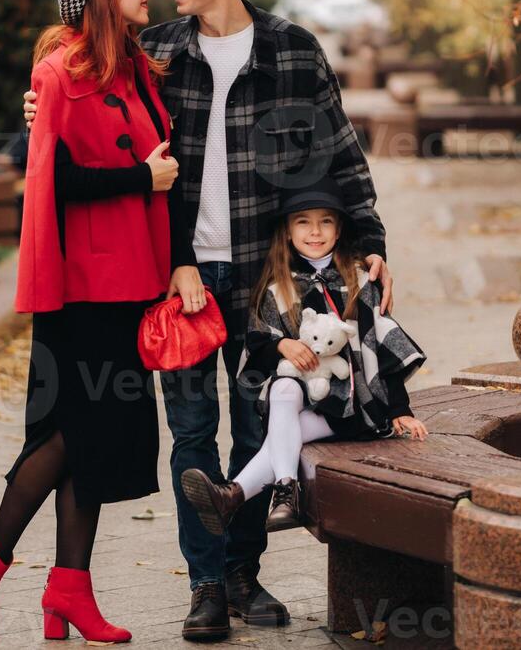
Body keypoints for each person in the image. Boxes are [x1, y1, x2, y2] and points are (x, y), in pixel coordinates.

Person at [24, 0, 395, 642]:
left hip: (270, 284)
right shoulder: (152, 52)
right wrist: (31, 110)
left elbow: (342, 153)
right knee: (191, 431)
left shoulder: (293, 51)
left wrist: (372, 237)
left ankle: (241, 576)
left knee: (259, 425)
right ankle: (203, 584)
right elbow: (75, 106)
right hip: (182, 280)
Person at [0, 0, 202, 643]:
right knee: (70, 434)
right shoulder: (61, 73)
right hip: (81, 289)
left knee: (87, 444)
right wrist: (138, 178)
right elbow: (49, 183)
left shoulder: (138, 71)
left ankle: (67, 591)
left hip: (132, 282)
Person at [180, 175, 427, 537]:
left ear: (339, 228)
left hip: (353, 409)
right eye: (303, 222)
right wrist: (282, 345)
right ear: (288, 232)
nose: (315, 232)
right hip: (301, 402)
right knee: (284, 391)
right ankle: (276, 490)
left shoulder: (359, 281)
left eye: (325, 221)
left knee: (285, 433)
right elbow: (257, 343)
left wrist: (400, 410)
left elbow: (383, 348)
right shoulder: (278, 287)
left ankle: (236, 495)